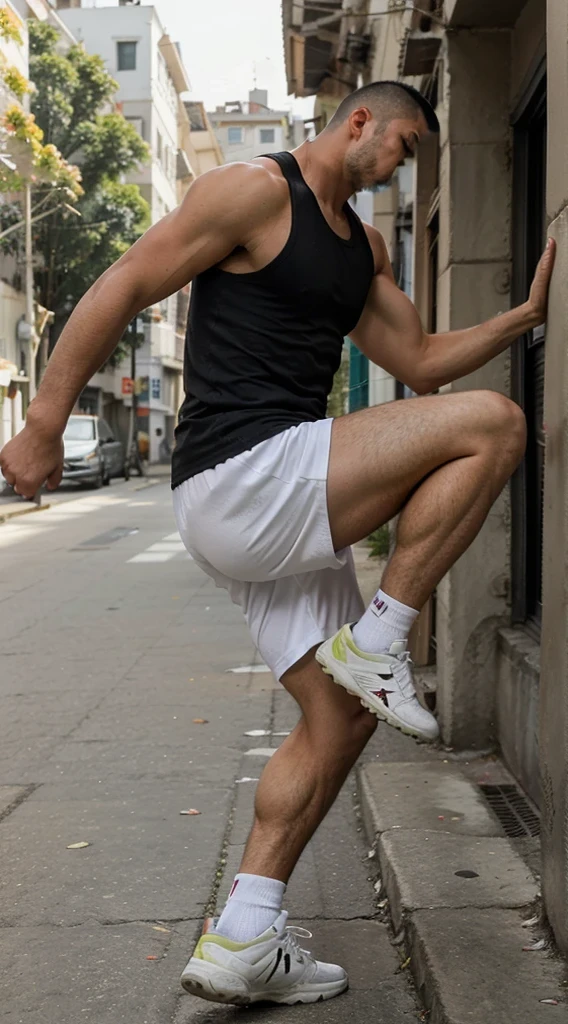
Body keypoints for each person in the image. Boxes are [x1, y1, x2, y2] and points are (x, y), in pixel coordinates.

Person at [0, 81, 554, 1007]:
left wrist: (520, 321)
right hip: (243, 471)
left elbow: (417, 362)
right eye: (406, 146)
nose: (402, 168)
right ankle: (381, 636)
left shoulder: (364, 248)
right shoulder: (257, 192)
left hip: (275, 500)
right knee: (495, 425)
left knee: (341, 719)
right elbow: (125, 282)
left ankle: (245, 935)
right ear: (362, 118)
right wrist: (44, 424)